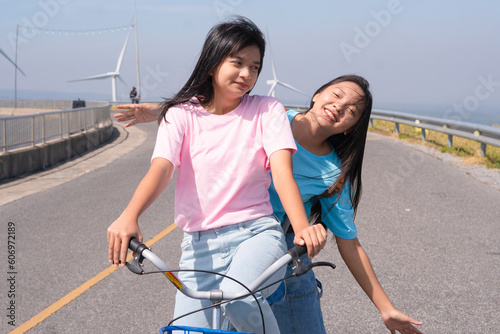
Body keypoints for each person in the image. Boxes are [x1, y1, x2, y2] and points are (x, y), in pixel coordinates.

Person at [114, 75, 423, 333]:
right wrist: (159, 111)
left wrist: (385, 307)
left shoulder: (333, 174)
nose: (339, 107)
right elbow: (217, 112)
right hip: (224, 242)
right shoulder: (270, 117)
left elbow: (349, 243)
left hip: (282, 257)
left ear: (350, 128)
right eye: (336, 95)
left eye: (351, 111)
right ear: (317, 95)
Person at [107, 17, 326, 334]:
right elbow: (162, 168)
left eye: (255, 67)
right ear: (212, 63)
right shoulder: (179, 115)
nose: (247, 74)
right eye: (237, 62)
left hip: (255, 235)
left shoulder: (267, 110)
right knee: (187, 332)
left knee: (239, 300)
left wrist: (302, 227)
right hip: (198, 248)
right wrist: (129, 215)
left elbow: (282, 174)